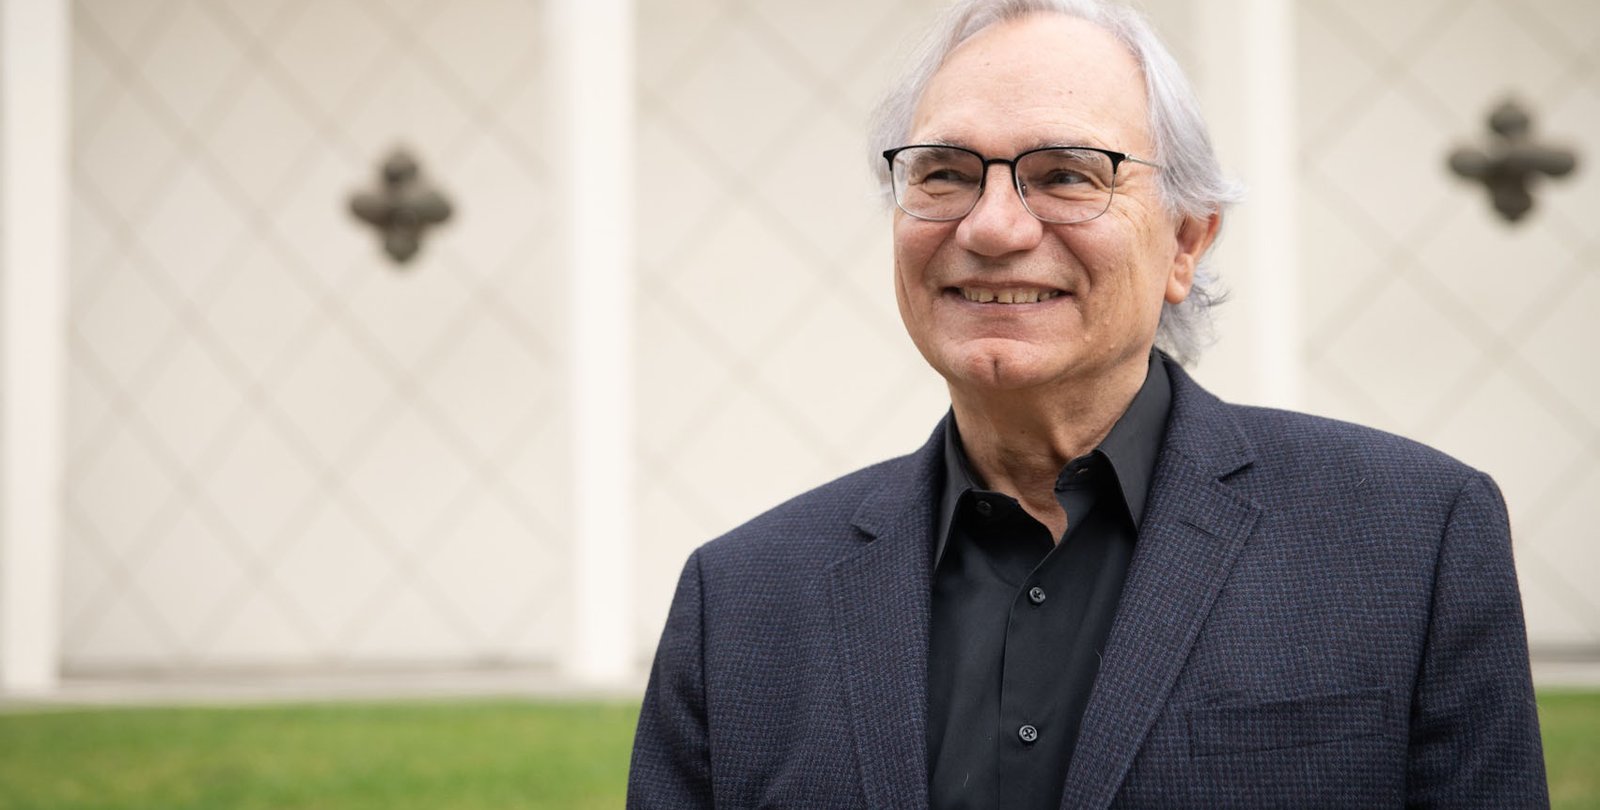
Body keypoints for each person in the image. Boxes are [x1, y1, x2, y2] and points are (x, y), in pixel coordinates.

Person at [627, 0, 1548, 806]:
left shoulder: (1410, 539)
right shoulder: (740, 605)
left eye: (1067, 173)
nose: (992, 226)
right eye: (944, 172)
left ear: (1186, 242)